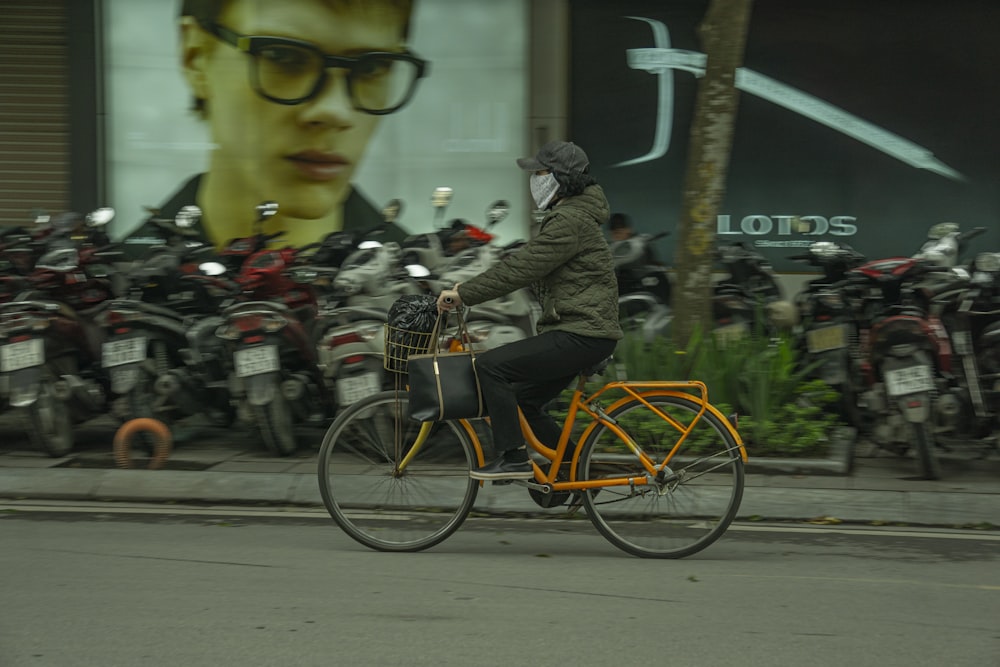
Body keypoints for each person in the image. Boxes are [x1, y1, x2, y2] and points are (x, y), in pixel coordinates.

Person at [123, 0, 426, 257]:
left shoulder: (430, 295)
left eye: (372, 67)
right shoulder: (106, 298)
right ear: (196, 57)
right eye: (283, 56)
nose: (335, 111)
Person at [436, 141, 623, 480]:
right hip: (579, 332)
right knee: (524, 401)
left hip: (580, 334)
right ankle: (577, 476)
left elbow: (521, 269)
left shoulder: (570, 221)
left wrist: (464, 294)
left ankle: (513, 457)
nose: (534, 179)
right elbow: (524, 265)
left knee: (490, 366)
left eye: (540, 172)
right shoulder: (571, 217)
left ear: (560, 178)